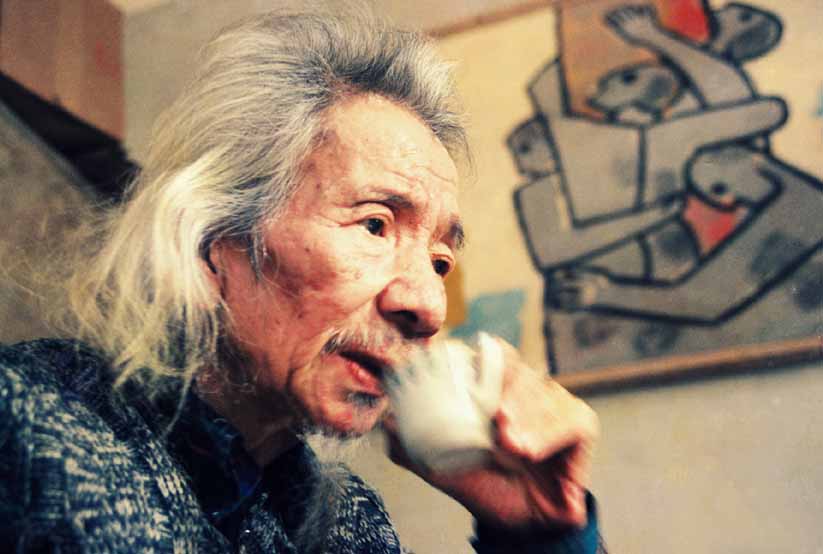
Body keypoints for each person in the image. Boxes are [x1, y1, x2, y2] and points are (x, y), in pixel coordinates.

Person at [0, 10, 604, 553]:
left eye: (440, 262)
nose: (428, 305)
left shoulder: (353, 526)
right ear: (213, 238)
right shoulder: (24, 432)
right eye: (375, 224)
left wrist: (543, 536)